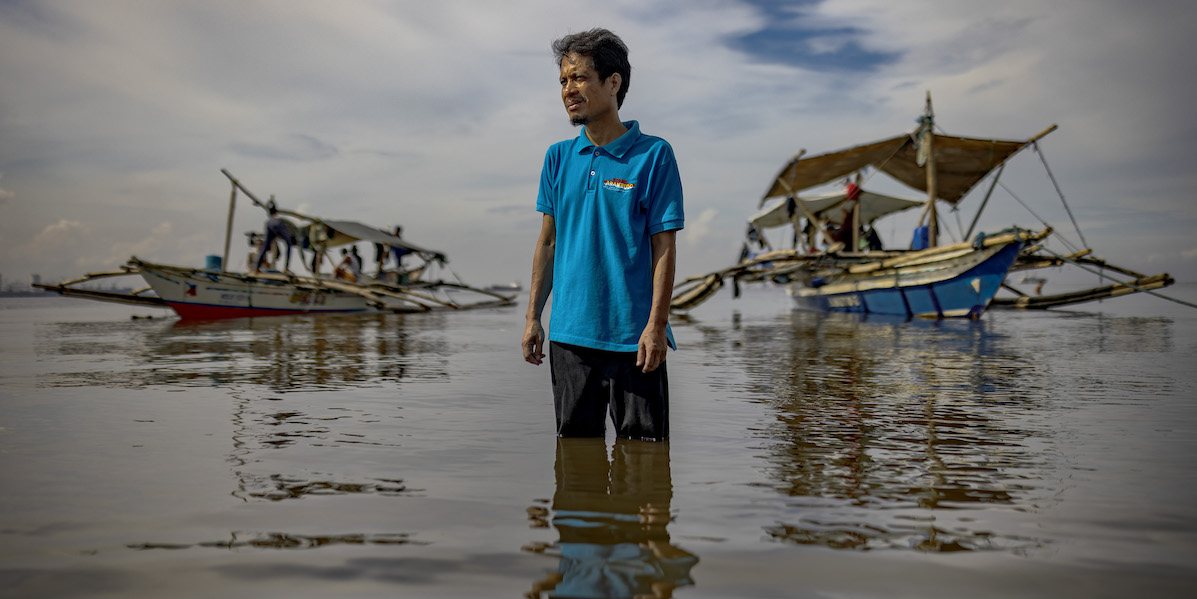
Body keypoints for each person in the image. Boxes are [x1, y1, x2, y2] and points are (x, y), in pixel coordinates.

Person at [521, 28, 684, 442]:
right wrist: (532, 319)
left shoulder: (654, 155)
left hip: (635, 340)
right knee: (576, 466)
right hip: (570, 338)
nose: (568, 90)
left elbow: (663, 246)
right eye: (563, 80)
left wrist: (656, 325)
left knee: (646, 467)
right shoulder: (558, 157)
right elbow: (548, 242)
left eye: (579, 78)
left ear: (613, 82)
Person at [252, 200, 295, 273]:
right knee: (289, 244)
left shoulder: (269, 220)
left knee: (265, 247)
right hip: (278, 226)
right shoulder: (278, 220)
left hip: (270, 225)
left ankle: (257, 268)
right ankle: (286, 268)